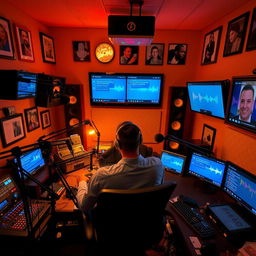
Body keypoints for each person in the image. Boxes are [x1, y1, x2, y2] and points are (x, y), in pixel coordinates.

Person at [76, 121, 164, 214]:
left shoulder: (101, 175)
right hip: (147, 225)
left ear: (117, 144)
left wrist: (82, 183)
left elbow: (84, 207)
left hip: (111, 228)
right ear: (141, 141)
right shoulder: (157, 165)